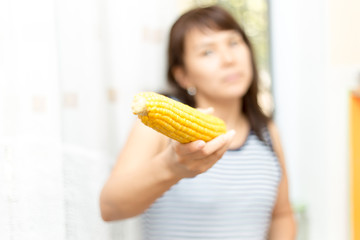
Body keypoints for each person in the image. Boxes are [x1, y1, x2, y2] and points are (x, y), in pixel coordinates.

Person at [100, 5, 296, 240]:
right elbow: (110, 207)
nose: (229, 59)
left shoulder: (267, 131)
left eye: (233, 43)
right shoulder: (155, 126)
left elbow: (281, 214)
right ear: (183, 75)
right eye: (207, 52)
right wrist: (172, 167)